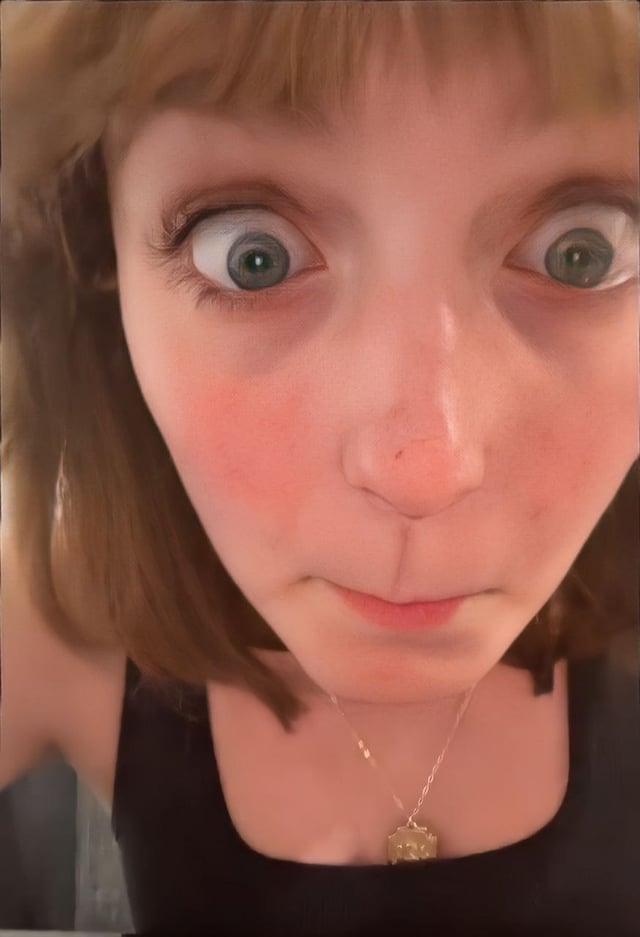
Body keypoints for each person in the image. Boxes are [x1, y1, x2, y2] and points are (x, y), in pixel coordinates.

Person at [1, 1, 638, 934]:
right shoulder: (64, 618)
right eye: (252, 258)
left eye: (583, 255)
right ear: (97, 260)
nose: (423, 473)